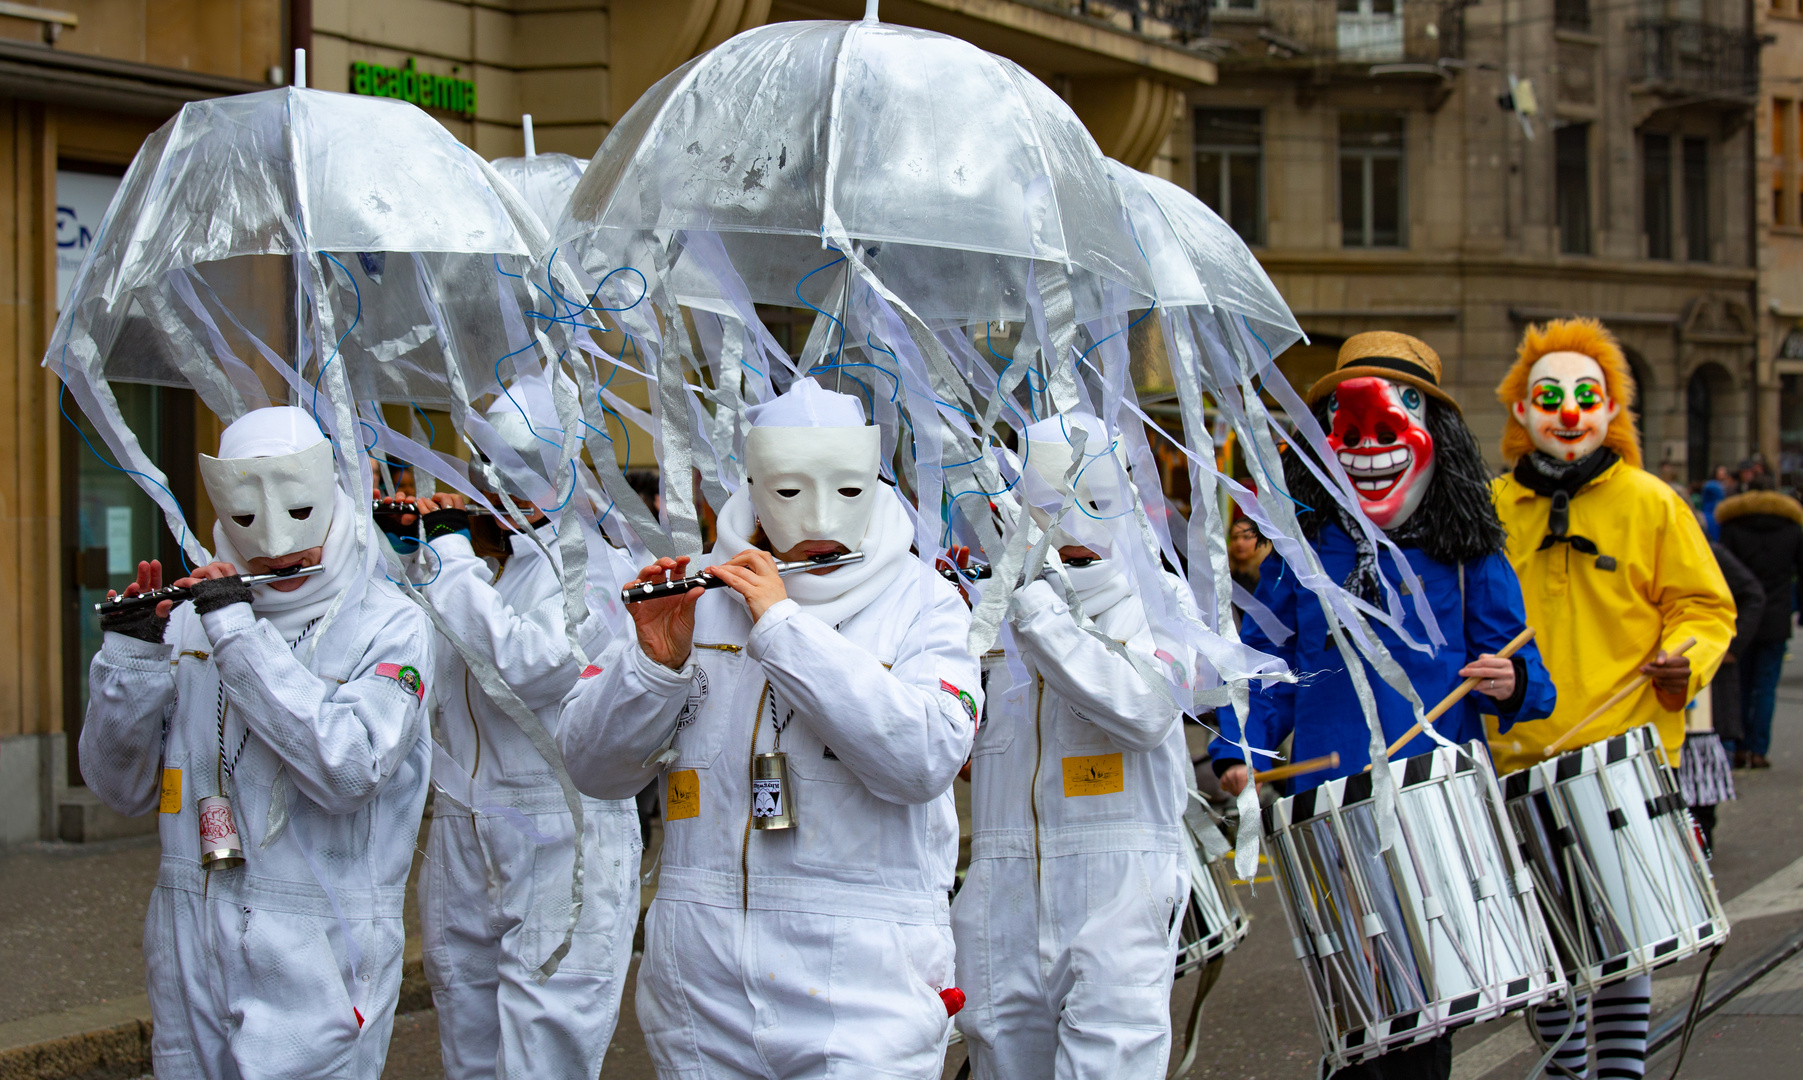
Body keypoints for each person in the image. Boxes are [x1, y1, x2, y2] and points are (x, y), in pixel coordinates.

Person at [556, 379, 978, 1078]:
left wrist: (783, 629)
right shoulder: (697, 592)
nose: (817, 513)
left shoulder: (924, 600)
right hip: (702, 983)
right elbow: (593, 770)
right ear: (753, 486)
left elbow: (923, 757)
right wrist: (652, 668)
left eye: (845, 489)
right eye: (787, 490)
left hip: (864, 983)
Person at [1212, 332, 1556, 1080]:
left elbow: (1531, 677)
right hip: (1328, 808)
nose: (1368, 438)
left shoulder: (1471, 553)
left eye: (1398, 407)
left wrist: (1511, 681)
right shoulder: (1299, 557)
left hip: (1435, 807)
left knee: (1425, 1022)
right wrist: (1238, 752)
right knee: (1353, 1017)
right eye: (1343, 414)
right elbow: (1264, 670)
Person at [81, 406, 432, 1080]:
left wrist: (237, 633)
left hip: (321, 946)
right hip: (190, 931)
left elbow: (349, 767)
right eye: (251, 530)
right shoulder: (192, 621)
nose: (279, 553)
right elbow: (119, 789)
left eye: (300, 517)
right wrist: (130, 661)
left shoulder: (388, 626)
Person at [1488, 318, 1736, 1080]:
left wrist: (1681, 661)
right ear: (1521, 412)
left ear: (1610, 411)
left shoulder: (1652, 503)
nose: (1568, 411)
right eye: (1550, 396)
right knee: (1548, 948)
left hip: (1620, 757)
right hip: (1512, 760)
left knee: (1624, 940)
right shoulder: (1489, 507)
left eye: (1586, 396)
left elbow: (1703, 607)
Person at [409, 388, 641, 1080]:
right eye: (485, 465)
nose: (492, 484)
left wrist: (450, 560)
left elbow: (530, 667)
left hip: (561, 833)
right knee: (470, 1049)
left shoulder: (594, 565)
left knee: (544, 1051)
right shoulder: (490, 567)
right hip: (464, 830)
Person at [951, 415, 1190, 1077]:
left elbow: (1142, 710)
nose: (1074, 528)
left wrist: (1036, 609)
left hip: (1117, 892)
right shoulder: (989, 613)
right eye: (1051, 508)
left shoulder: (1163, 603)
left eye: (1095, 503)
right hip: (1001, 895)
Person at [1712, 484, 1803, 768]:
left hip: (1739, 616)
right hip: (1776, 617)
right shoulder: (1792, 530)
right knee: (1765, 686)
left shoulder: (1733, 528)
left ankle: (1737, 746)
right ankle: (1758, 748)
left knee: (1738, 682)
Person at [1682, 528, 1761, 853]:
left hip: (1704, 691)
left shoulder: (1708, 553)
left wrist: (1731, 645)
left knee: (1701, 787)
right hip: (1659, 682)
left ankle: (1702, 849)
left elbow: (1752, 594)